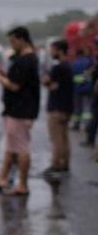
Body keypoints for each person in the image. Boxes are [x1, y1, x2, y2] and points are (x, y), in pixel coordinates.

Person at [0, 27, 40, 196]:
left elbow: (14, 85)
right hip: (16, 110)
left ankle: (23, 185)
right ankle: (3, 178)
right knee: (10, 147)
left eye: (13, 41)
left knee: (21, 148)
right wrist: (4, 75)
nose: (12, 45)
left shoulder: (25, 61)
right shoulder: (25, 60)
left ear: (22, 39)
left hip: (20, 111)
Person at [41, 40, 74, 174]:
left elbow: (45, 81)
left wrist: (48, 81)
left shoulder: (58, 67)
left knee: (57, 138)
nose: (51, 52)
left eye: (53, 50)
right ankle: (65, 163)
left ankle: (56, 164)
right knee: (64, 137)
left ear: (59, 50)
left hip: (57, 108)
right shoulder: (68, 66)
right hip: (67, 107)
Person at [69, 47, 93, 131]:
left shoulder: (74, 63)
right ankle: (87, 125)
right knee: (87, 107)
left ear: (77, 54)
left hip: (76, 88)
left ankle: (76, 124)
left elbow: (71, 75)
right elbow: (90, 74)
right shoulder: (88, 62)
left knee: (77, 107)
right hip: (88, 88)